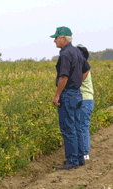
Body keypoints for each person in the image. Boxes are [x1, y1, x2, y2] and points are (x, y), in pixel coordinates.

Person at [50, 26, 91, 170]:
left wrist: (57, 95)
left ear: (63, 38)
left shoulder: (66, 54)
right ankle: (80, 158)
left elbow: (63, 76)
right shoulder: (77, 52)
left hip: (67, 94)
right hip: (77, 94)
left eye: (56, 38)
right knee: (76, 127)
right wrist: (77, 83)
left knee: (68, 128)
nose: (54, 40)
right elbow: (86, 69)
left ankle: (72, 160)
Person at [76, 44, 94, 161]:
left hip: (85, 100)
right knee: (81, 127)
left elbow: (76, 82)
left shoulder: (82, 67)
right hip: (85, 100)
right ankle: (82, 153)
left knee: (82, 127)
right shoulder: (81, 66)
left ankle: (84, 154)